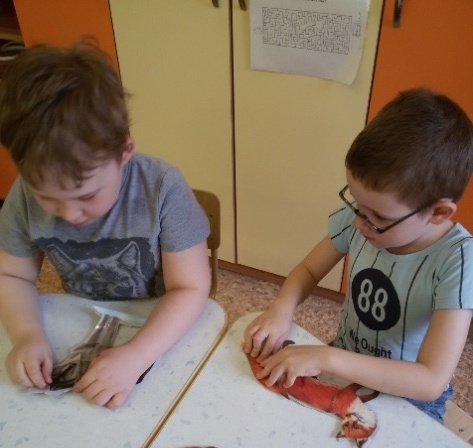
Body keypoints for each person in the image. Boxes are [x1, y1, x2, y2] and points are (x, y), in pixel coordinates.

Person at [0, 41, 211, 409]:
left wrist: (137, 353)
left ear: (124, 152)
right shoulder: (22, 196)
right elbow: (11, 275)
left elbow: (191, 289)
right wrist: (26, 334)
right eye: (47, 197)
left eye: (86, 195)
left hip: (159, 324)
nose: (70, 215)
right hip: (87, 318)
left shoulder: (163, 187)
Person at [244, 88, 473, 423]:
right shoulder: (364, 216)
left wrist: (327, 358)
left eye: (377, 216)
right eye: (355, 202)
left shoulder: (459, 260)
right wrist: (281, 309)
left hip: (409, 398)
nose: (358, 221)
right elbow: (308, 270)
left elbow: (430, 380)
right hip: (345, 361)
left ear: (438, 213)